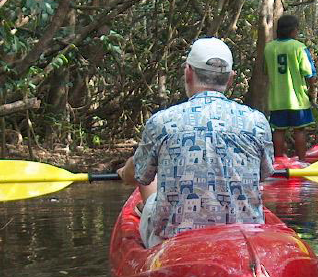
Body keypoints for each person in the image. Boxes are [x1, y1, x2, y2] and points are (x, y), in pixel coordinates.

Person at [117, 37, 275, 248]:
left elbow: (138, 175)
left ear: (188, 72)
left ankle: (147, 216)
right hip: (244, 241)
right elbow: (263, 174)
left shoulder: (162, 122)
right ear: (230, 79)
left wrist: (126, 172)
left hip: (176, 244)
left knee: (150, 189)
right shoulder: (257, 122)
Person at [262, 13, 317, 160]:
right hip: (297, 99)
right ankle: (302, 161)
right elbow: (309, 73)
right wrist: (312, 91)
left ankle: (278, 162)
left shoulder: (269, 48)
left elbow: (265, 70)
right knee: (299, 130)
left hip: (277, 99)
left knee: (278, 131)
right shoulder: (298, 47)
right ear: (293, 30)